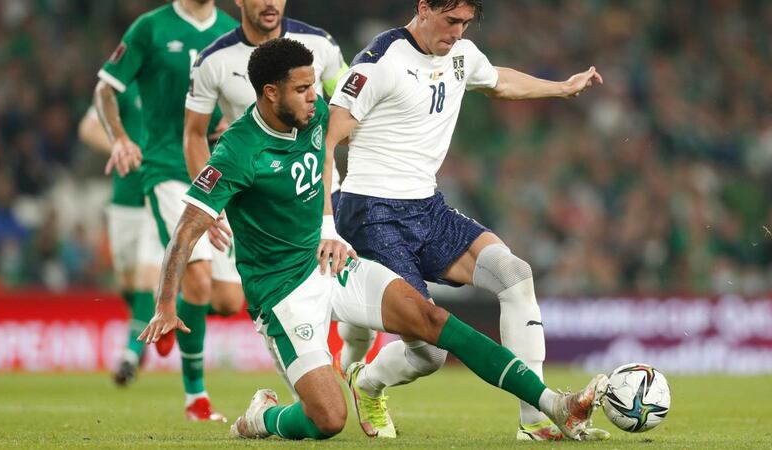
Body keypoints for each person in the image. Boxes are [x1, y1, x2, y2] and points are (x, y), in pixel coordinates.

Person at [138, 38, 607, 443]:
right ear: (269, 93)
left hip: (328, 261)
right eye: (302, 90)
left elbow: (323, 157)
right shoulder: (239, 151)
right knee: (328, 419)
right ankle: (264, 416)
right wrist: (165, 303)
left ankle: (552, 405)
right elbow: (185, 228)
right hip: (281, 294)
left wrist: (327, 228)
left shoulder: (312, 115)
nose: (314, 99)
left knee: (430, 318)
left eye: (313, 86)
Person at [323, 0, 607, 441]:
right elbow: (328, 133)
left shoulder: (462, 55)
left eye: (466, 23)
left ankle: (534, 421)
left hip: (427, 207)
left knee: (515, 276)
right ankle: (368, 383)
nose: (458, 32)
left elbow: (500, 81)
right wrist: (326, 219)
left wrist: (561, 88)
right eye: (451, 20)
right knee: (431, 354)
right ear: (423, 8)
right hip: (371, 212)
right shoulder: (379, 62)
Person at [183, 0, 367, 395]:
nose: (270, 3)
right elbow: (194, 134)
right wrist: (213, 206)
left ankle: (357, 374)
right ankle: (318, 374)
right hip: (259, 202)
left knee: (357, 294)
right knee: (229, 300)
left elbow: (348, 107)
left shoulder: (319, 45)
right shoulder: (213, 60)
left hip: (321, 195)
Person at [93, 0, 241, 421]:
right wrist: (120, 137)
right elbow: (105, 88)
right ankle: (196, 398)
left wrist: (240, 121)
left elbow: (251, 98)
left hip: (221, 170)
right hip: (166, 169)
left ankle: (172, 307)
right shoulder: (150, 28)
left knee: (228, 300)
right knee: (198, 281)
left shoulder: (232, 30)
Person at [78, 83, 163, 387]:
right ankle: (146, 330)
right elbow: (87, 128)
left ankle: (129, 354)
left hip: (160, 195)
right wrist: (119, 144)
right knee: (128, 285)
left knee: (146, 274)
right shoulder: (122, 86)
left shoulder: (177, 77)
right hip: (124, 200)